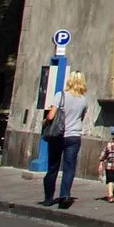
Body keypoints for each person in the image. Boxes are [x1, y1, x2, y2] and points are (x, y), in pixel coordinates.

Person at [40, 71, 91, 208]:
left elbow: (51, 116)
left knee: (53, 167)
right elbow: (82, 118)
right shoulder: (83, 99)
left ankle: (48, 198)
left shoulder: (60, 95)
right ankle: (65, 195)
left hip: (58, 135)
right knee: (69, 167)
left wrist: (44, 122)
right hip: (74, 136)